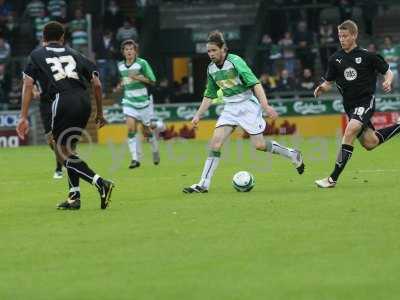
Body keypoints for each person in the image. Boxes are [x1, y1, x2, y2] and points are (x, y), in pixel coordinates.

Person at [183, 31, 305, 194]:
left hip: (247, 105)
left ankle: (292, 154)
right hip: (230, 109)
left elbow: (255, 83)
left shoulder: (235, 61)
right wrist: (198, 115)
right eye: (209, 51)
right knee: (215, 144)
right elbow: (209, 94)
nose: (211, 54)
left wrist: (265, 106)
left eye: (213, 50)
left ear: (222, 49)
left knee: (259, 145)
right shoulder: (211, 69)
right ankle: (203, 184)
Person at [16, 21, 114, 209]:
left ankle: (101, 183)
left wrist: (23, 116)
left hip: (61, 99)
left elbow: (28, 84)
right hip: (84, 101)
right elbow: (97, 85)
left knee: (60, 151)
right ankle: (74, 197)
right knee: (69, 150)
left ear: (43, 38)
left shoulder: (37, 54)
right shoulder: (77, 54)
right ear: (62, 38)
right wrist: (100, 113)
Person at [314, 20, 397, 188]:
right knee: (370, 143)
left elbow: (388, 71)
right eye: (339, 36)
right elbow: (328, 82)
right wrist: (321, 88)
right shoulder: (335, 59)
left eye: (345, 36)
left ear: (354, 35)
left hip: (365, 101)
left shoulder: (368, 56)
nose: (342, 39)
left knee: (350, 130)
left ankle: (332, 179)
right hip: (350, 106)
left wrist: (388, 81)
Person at [113, 39, 160, 169]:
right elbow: (124, 80)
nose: (129, 51)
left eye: (131, 49)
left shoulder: (142, 63)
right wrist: (119, 86)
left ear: (135, 51)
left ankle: (155, 149)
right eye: (126, 49)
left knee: (146, 131)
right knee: (130, 128)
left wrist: (137, 77)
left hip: (143, 101)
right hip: (128, 101)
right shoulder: (120, 66)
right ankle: (135, 159)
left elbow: (153, 80)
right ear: (123, 52)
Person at [32, 83, 63, 179]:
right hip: (44, 105)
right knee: (50, 140)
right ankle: (65, 155)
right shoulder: (35, 71)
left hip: (57, 101)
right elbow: (32, 85)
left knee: (56, 136)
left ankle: (59, 169)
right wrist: (35, 92)